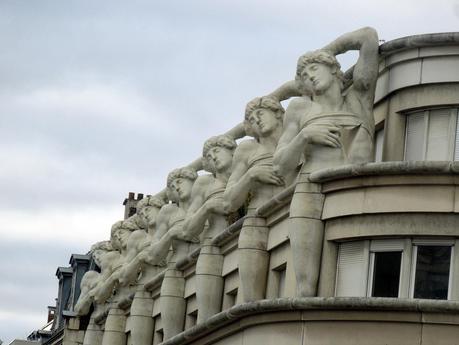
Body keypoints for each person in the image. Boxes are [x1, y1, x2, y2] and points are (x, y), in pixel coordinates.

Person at [273, 27, 379, 297]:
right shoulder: (300, 109)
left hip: (354, 186)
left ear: (333, 69)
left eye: (314, 69)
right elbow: (280, 166)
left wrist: (325, 51)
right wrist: (304, 137)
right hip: (309, 188)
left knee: (354, 266)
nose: (309, 77)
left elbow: (368, 36)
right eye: (304, 76)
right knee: (306, 285)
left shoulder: (359, 96)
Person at [224, 96, 295, 302]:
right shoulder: (248, 150)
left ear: (278, 113)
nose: (257, 121)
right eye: (252, 119)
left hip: (291, 208)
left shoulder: (294, 133)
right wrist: (251, 176)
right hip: (256, 218)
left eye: (260, 114)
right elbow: (228, 202)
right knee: (250, 296)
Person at [178, 134, 237, 322]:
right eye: (209, 157)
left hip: (244, 238)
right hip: (212, 245)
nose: (214, 158)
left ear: (232, 151)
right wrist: (207, 207)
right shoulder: (206, 184)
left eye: (217, 152)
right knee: (207, 317)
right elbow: (187, 229)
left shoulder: (246, 168)